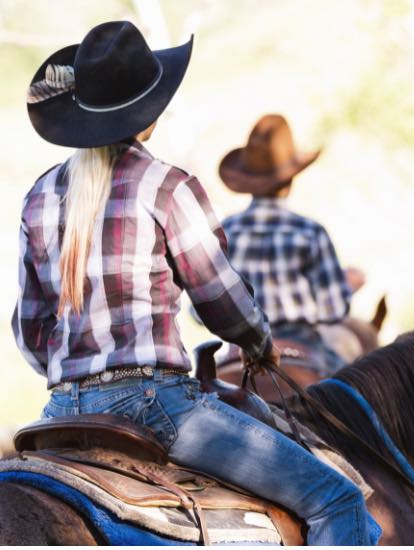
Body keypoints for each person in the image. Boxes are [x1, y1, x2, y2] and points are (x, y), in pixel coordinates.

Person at [13, 21, 379, 545]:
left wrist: (75, 377)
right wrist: (258, 343)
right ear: (150, 114)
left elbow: (30, 328)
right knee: (336, 498)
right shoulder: (167, 185)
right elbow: (218, 299)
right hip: (155, 404)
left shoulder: (39, 197)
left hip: (60, 409)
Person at [219, 114, 359, 372]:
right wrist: (349, 285)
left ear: (248, 180)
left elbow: (206, 306)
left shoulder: (226, 231)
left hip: (239, 351)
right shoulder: (309, 232)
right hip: (304, 345)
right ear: (289, 180)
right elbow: (335, 309)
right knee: (361, 396)